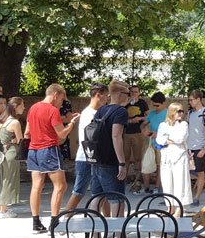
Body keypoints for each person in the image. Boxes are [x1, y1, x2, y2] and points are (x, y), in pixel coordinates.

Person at [25, 84, 79, 233]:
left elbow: (27, 133)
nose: (61, 104)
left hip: (33, 150)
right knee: (60, 186)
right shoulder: (52, 110)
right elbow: (62, 134)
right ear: (55, 94)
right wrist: (72, 123)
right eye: (61, 100)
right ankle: (54, 222)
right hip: (48, 150)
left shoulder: (33, 108)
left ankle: (36, 222)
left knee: (36, 186)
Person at [64, 83, 109, 211]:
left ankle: (110, 222)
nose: (107, 99)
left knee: (103, 193)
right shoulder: (89, 113)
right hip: (86, 158)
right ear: (98, 95)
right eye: (106, 96)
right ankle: (64, 220)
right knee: (79, 192)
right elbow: (91, 137)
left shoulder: (98, 112)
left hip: (96, 158)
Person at [89, 79, 130, 217]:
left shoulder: (101, 110)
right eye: (127, 93)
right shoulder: (121, 111)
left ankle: (95, 237)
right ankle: (118, 236)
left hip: (97, 160)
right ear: (119, 94)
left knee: (97, 198)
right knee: (117, 200)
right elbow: (116, 136)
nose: (128, 96)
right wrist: (122, 163)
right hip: (111, 162)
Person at [157, 102, 192, 215]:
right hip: (166, 157)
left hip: (179, 157)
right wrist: (167, 140)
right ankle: (170, 207)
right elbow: (159, 140)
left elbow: (180, 138)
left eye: (182, 111)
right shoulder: (163, 125)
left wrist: (167, 139)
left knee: (180, 183)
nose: (181, 113)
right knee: (167, 183)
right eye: (179, 111)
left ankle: (179, 208)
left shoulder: (184, 125)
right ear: (172, 112)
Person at [186, 89, 205, 207]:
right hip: (189, 148)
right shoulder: (190, 113)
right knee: (187, 172)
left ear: (198, 99)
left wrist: (204, 148)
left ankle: (197, 197)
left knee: (200, 173)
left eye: (191, 100)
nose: (190, 102)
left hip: (199, 147)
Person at [0, 97, 23, 217]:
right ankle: (4, 210)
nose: (24, 108)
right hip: (12, 153)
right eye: (22, 106)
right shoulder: (15, 123)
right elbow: (20, 140)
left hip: (2, 154)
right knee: (9, 181)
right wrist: (15, 140)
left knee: (4, 180)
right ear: (15, 107)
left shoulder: (1, 122)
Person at [124, 85, 149, 194]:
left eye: (136, 92)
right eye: (132, 92)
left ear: (139, 92)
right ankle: (123, 179)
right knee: (125, 158)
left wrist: (140, 119)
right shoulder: (125, 102)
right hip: (126, 133)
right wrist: (129, 120)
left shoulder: (142, 103)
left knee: (138, 158)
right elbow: (119, 114)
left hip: (138, 133)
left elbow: (148, 117)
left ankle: (137, 180)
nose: (134, 93)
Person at [143, 91, 167, 193]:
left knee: (159, 166)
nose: (155, 107)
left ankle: (157, 188)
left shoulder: (168, 114)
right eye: (153, 105)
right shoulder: (151, 113)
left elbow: (172, 131)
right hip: (150, 144)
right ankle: (147, 188)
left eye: (157, 105)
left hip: (162, 145)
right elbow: (143, 124)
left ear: (163, 103)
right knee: (146, 165)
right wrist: (143, 131)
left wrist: (158, 134)